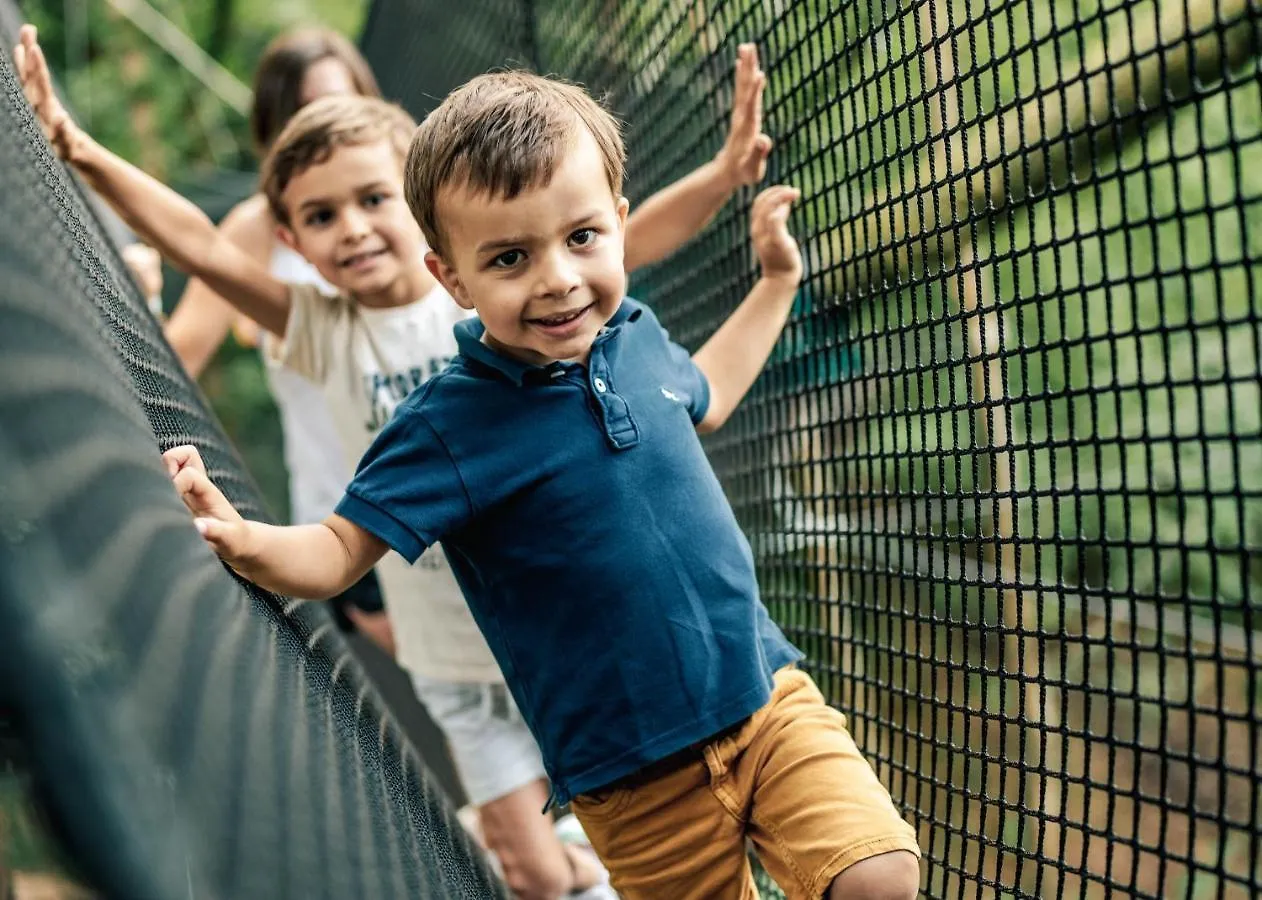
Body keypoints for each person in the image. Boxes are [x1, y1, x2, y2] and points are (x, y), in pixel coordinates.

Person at [14, 25, 795, 900]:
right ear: (292, 240)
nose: (351, 230)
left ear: (431, 241)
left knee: (629, 802)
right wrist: (77, 150)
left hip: (548, 628)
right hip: (428, 629)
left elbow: (623, 235)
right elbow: (200, 242)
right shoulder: (323, 328)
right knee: (541, 872)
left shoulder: (491, 292)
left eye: (373, 200)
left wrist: (723, 179)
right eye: (320, 218)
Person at [194, 74, 917, 900]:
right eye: (509, 257)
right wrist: (243, 538)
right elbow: (338, 548)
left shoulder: (637, 339)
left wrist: (776, 286)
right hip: (632, 777)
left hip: (765, 696)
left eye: (581, 237)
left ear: (617, 221)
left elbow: (706, 396)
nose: (557, 279)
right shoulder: (450, 424)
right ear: (453, 279)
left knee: (878, 873)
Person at [161, 27, 394, 653]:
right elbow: (180, 351)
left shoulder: (408, 196)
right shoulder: (259, 230)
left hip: (454, 492)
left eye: (344, 106)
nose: (329, 129)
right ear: (276, 130)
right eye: (307, 114)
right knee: (459, 700)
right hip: (348, 518)